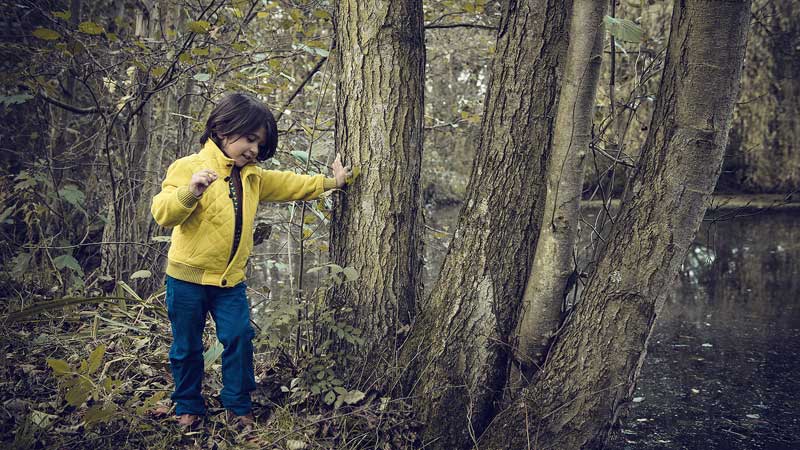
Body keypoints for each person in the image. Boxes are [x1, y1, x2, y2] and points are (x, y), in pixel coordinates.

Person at [150, 92, 351, 429]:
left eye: (260, 144)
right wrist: (192, 191)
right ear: (223, 129)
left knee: (240, 337)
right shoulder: (188, 167)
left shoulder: (253, 176)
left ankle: (238, 407)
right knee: (186, 346)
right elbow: (163, 213)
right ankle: (188, 407)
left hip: (229, 282)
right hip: (187, 279)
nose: (254, 150)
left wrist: (332, 183)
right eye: (250, 139)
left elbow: (290, 183)